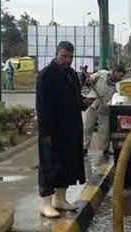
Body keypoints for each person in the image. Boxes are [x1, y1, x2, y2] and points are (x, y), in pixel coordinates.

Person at [36, 41, 92, 218]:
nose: (67, 60)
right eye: (64, 56)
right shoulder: (46, 75)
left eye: (70, 57)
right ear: (56, 54)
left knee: (66, 164)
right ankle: (46, 203)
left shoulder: (71, 75)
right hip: (53, 130)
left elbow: (74, 98)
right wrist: (46, 133)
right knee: (50, 165)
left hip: (71, 129)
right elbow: (42, 107)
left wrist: (83, 102)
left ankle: (60, 199)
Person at [82, 65, 126, 154]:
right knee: (87, 127)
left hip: (105, 107)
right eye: (120, 75)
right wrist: (89, 80)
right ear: (115, 71)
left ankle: (105, 149)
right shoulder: (102, 73)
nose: (121, 78)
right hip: (92, 103)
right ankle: (84, 147)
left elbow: (116, 96)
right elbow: (91, 79)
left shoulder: (118, 85)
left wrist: (109, 104)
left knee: (105, 129)